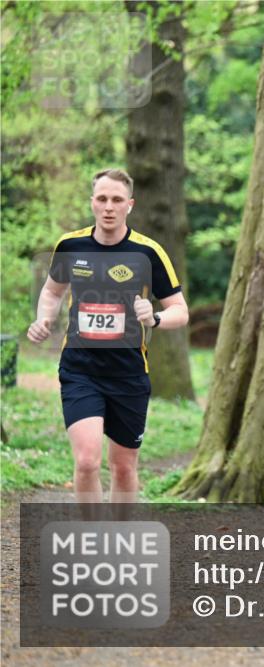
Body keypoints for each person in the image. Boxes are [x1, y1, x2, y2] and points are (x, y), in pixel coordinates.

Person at [27, 168, 189, 511]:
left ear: (130, 204)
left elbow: (179, 310)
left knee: (123, 466)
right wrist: (44, 318)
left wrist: (155, 317)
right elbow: (52, 292)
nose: (109, 207)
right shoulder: (71, 246)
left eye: (117, 199)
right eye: (102, 199)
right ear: (92, 202)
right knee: (87, 461)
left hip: (128, 374)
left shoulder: (148, 252)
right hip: (80, 370)